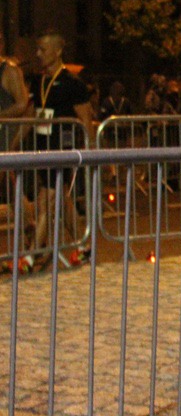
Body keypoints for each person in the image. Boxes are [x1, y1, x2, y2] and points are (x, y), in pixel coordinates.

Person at [26, 31, 94, 270]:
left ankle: (31, 255)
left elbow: (85, 119)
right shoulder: (38, 81)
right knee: (62, 201)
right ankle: (84, 247)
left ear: (57, 51)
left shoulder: (73, 83)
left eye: (43, 49)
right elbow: (31, 117)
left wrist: (91, 150)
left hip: (63, 150)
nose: (38, 54)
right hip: (43, 149)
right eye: (37, 49)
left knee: (48, 199)